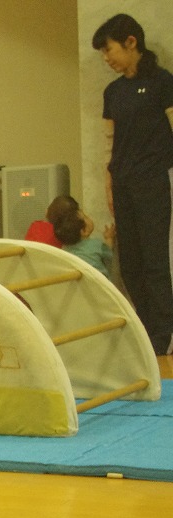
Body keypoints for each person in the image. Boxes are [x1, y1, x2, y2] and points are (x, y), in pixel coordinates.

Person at [92, 14, 173, 355]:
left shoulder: (162, 81)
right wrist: (109, 185)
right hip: (123, 183)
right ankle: (147, 329)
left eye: (109, 49)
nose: (107, 58)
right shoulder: (113, 91)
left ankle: (163, 336)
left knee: (155, 260)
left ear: (130, 42)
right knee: (131, 263)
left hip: (153, 180)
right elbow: (112, 144)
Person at [45, 195, 115, 279]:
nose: (88, 217)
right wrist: (109, 238)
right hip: (99, 288)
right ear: (84, 231)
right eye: (85, 216)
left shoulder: (64, 251)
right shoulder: (97, 245)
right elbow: (109, 258)